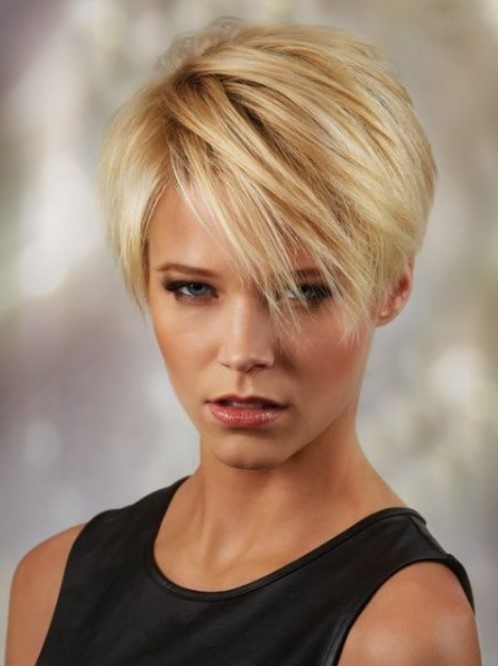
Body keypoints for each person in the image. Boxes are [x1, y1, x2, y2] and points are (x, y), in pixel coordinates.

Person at [6, 18, 481, 665]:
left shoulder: (403, 629)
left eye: (304, 292)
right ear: (144, 277)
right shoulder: (50, 582)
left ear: (393, 286)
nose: (244, 350)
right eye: (194, 289)